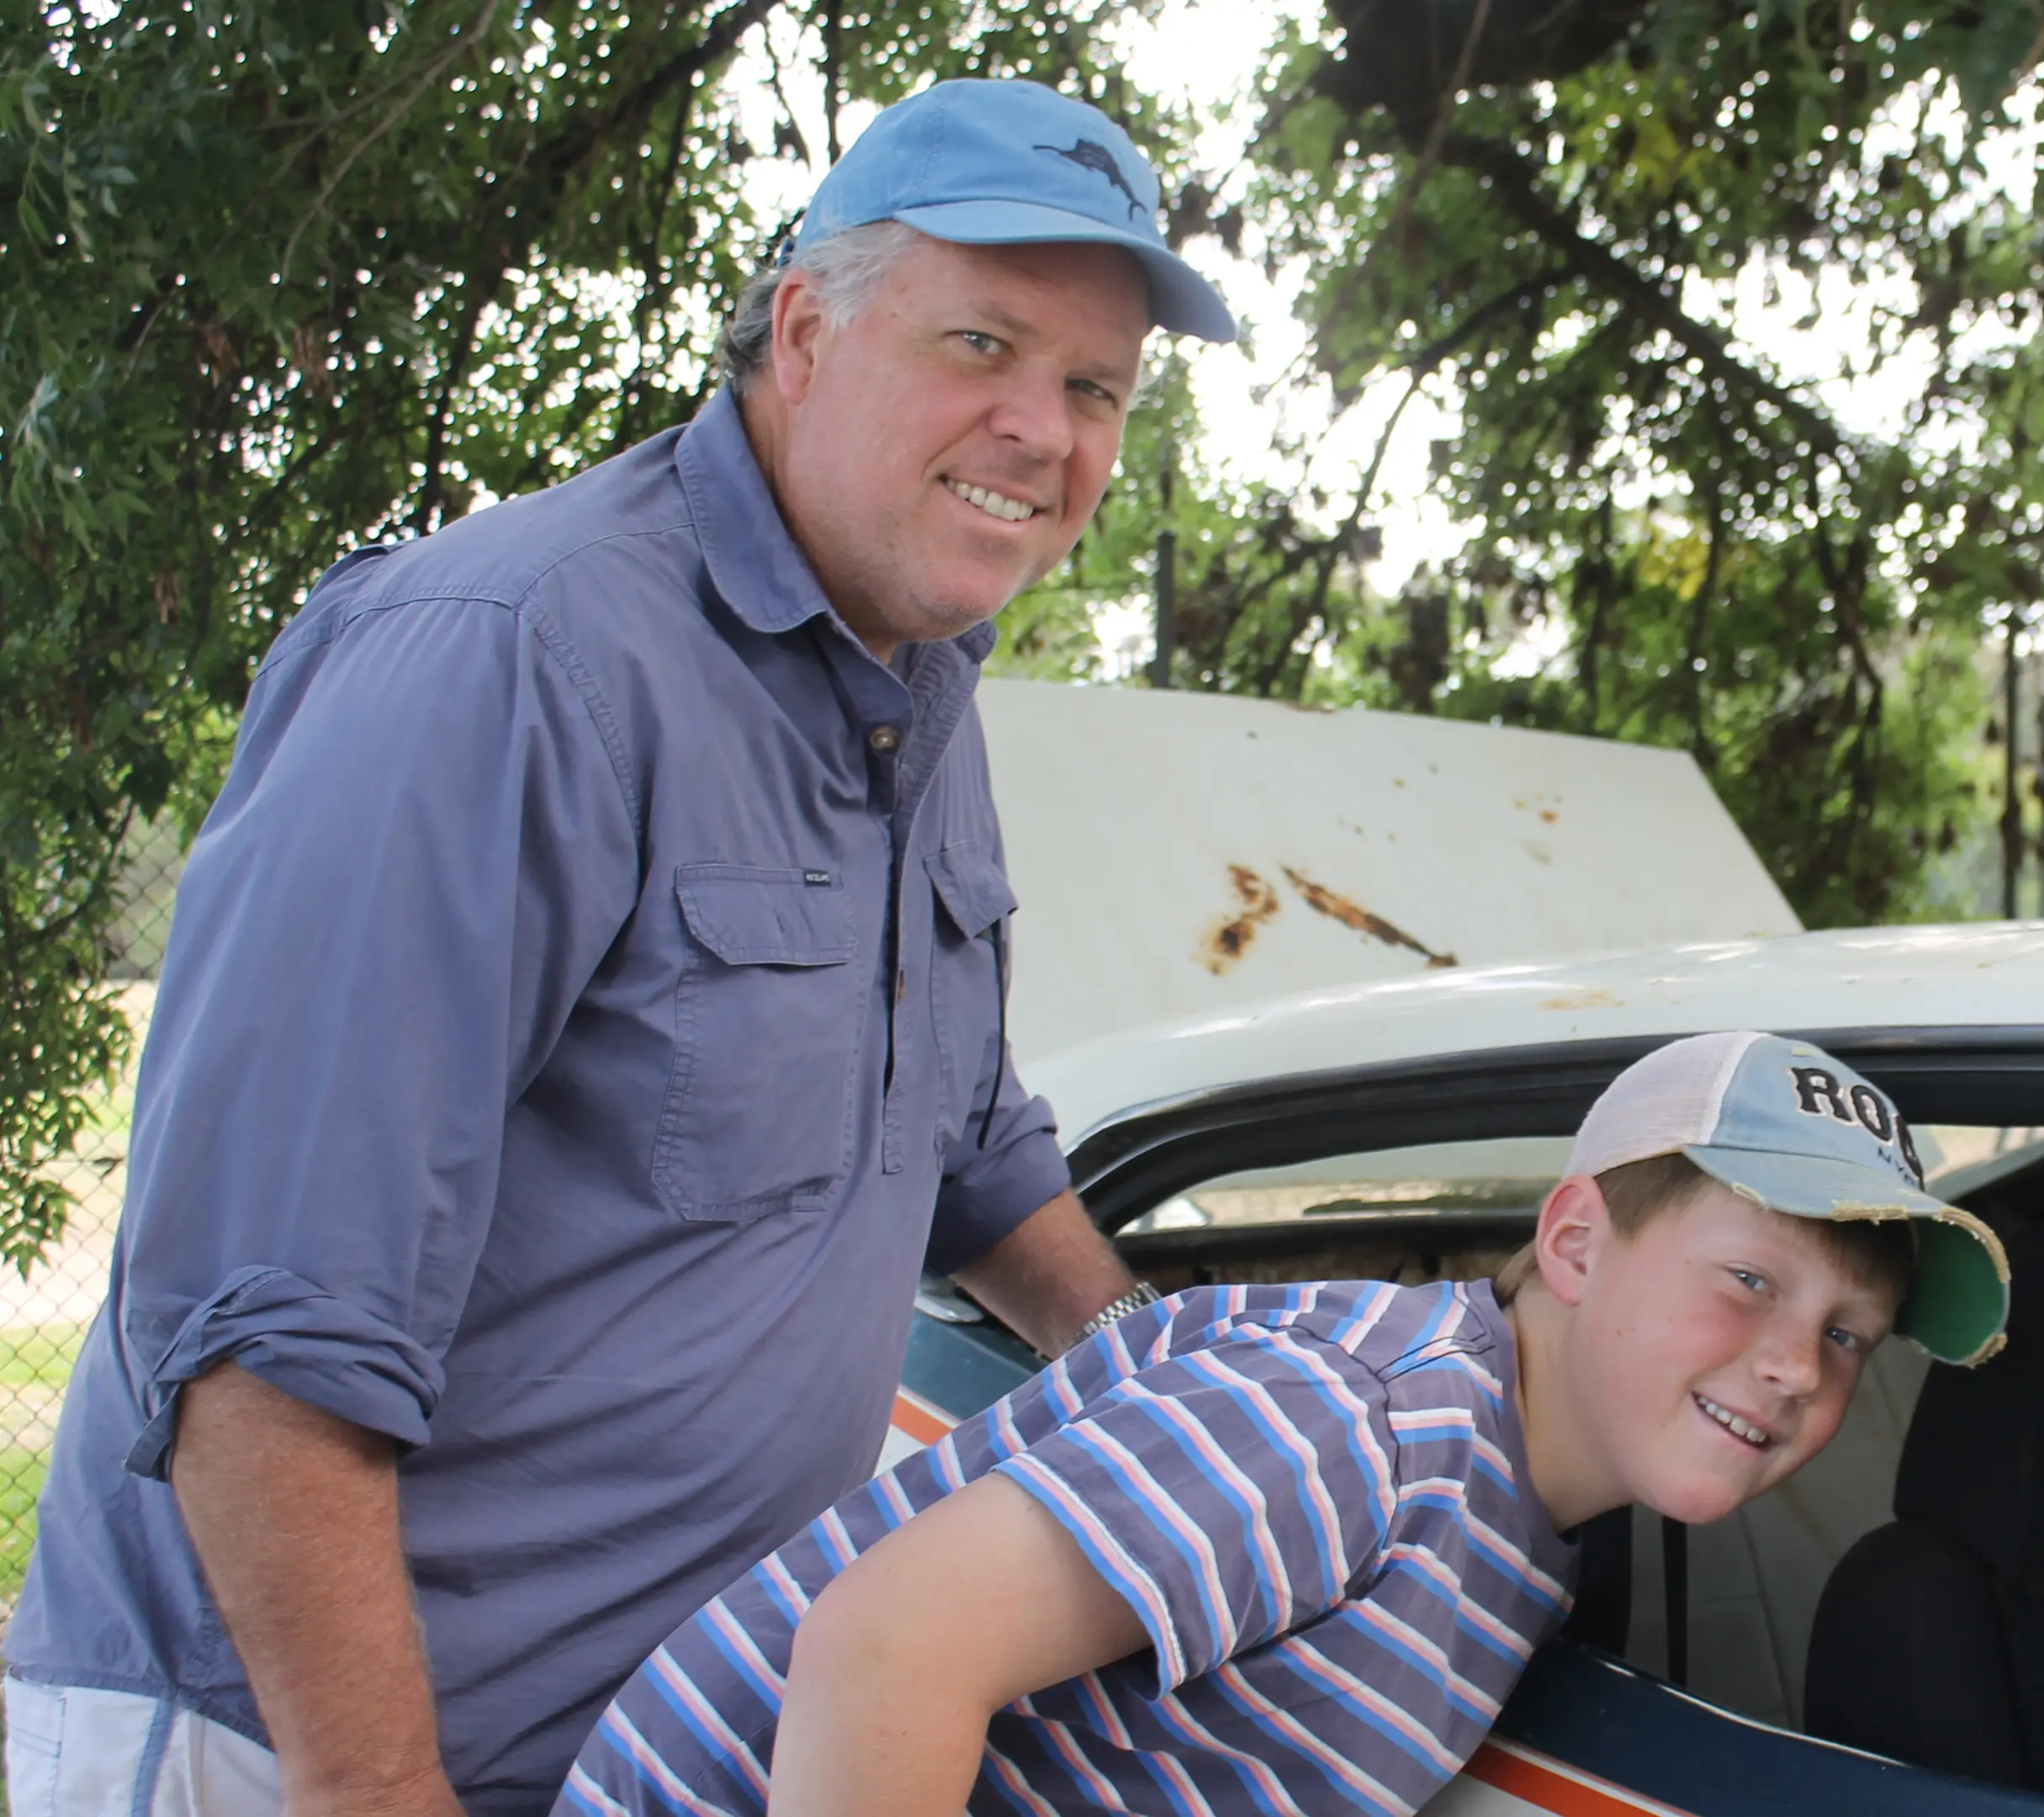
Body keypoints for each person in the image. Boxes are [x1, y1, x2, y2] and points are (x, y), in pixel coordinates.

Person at [6, 80, 1236, 1817]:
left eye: (1093, 387)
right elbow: (264, 1343)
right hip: (283, 1756)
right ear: (805, 332)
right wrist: (380, 1792)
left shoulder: (919, 704)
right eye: (985, 344)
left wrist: (1214, 1384)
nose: (1042, 427)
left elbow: (967, 1143)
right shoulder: (507, 657)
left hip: (620, 1761)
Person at [556, 1031, 2013, 1817]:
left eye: (1846, 1337)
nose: (1790, 1368)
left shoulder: (1521, 1523)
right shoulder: (1360, 1422)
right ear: (1572, 1245)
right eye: (1748, 1282)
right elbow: (887, 1645)